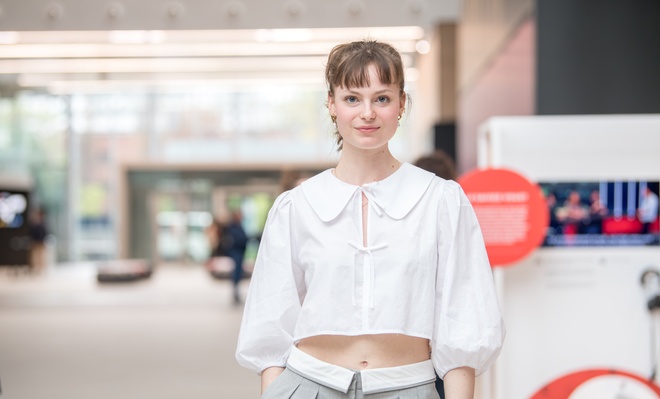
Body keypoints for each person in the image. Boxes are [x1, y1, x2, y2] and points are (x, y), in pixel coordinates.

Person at [236, 39, 505, 399]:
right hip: (308, 384)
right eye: (352, 98)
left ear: (401, 104)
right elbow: (270, 325)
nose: (368, 113)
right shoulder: (296, 206)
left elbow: (464, 316)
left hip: (408, 386)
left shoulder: (441, 199)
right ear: (331, 104)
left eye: (382, 98)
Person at [225, 209, 248, 304]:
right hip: (236, 252)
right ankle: (235, 292)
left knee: (238, 272)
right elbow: (239, 239)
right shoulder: (233, 227)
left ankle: (236, 291)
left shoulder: (238, 226)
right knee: (236, 273)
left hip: (239, 252)